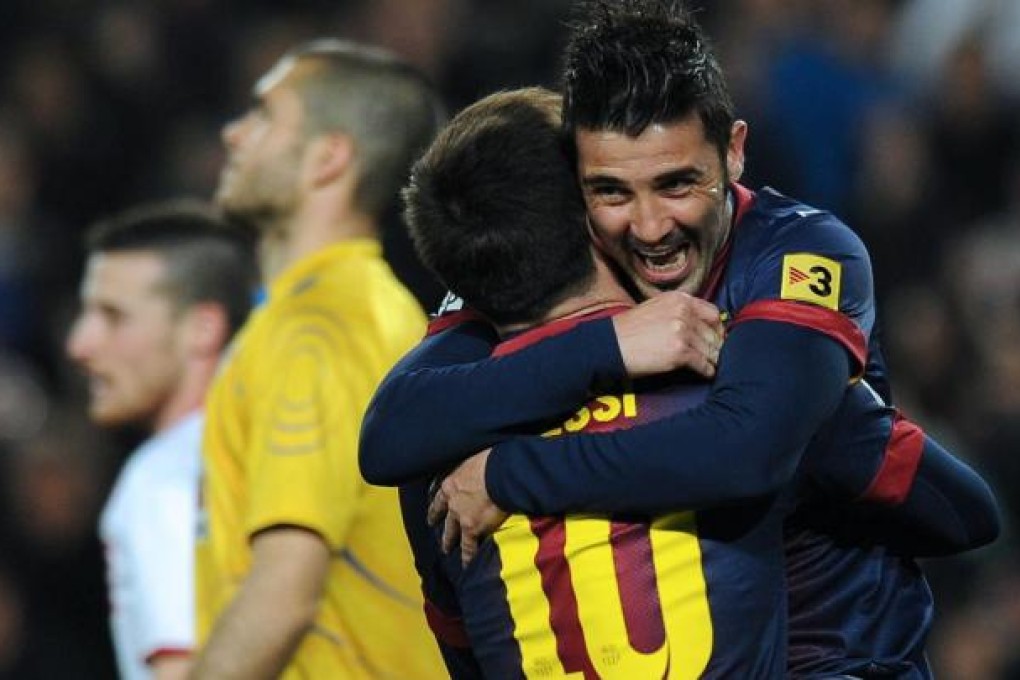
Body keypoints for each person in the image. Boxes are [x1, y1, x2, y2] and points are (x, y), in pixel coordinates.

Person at [360, 1, 1000, 677]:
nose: (648, 228)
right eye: (611, 191)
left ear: (733, 151)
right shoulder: (543, 276)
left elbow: (751, 450)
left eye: (676, 184)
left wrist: (509, 474)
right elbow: (389, 433)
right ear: (575, 195)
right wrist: (610, 346)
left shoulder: (794, 253)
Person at [191, 39, 446, 678]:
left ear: (327, 158)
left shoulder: (321, 328)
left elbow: (283, 592)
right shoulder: (369, 309)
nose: (233, 133)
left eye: (263, 115)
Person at [66, 201, 257, 680]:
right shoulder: (266, 448)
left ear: (202, 328)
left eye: (113, 316)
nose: (80, 343)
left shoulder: (160, 480)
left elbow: (181, 668)